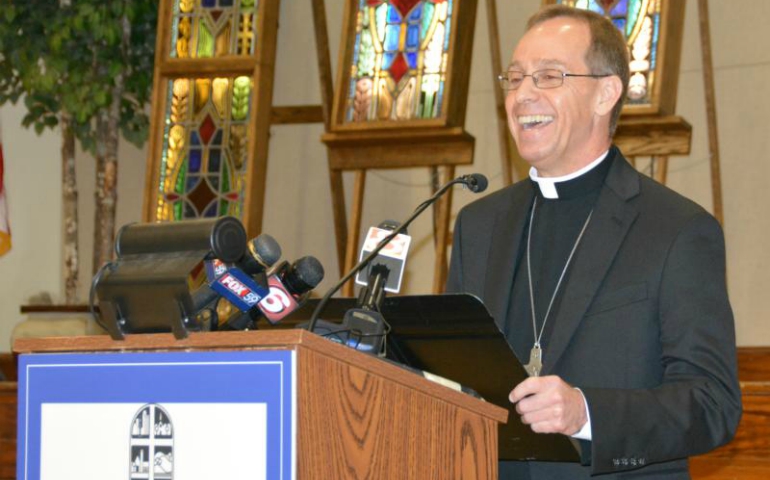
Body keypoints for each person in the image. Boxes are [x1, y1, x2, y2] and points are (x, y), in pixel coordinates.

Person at [446, 5, 741, 479]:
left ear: (606, 93)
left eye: (548, 76)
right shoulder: (479, 224)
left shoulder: (676, 229)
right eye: (515, 78)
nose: (523, 95)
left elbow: (713, 404)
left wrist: (586, 414)